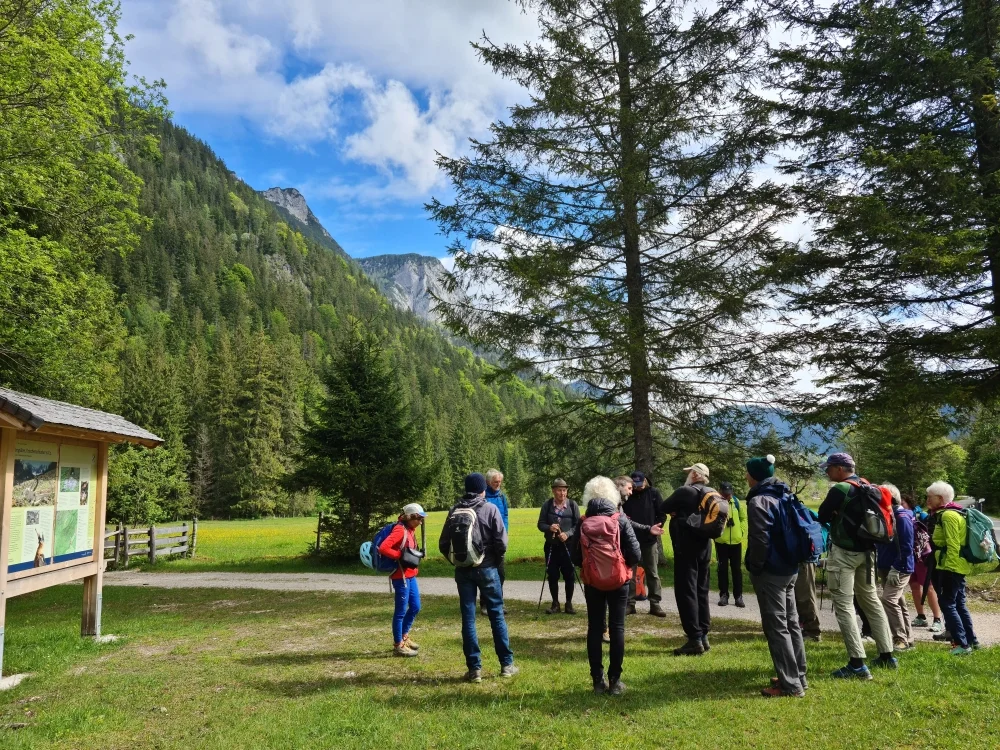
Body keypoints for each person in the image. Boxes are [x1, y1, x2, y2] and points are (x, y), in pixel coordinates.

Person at [816, 452, 896, 679]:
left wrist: (834, 513)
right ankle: (887, 655)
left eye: (829, 468)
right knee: (871, 601)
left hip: (844, 553)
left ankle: (857, 663)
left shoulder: (840, 489)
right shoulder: (867, 486)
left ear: (841, 469)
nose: (827, 471)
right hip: (868, 553)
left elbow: (822, 516)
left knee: (843, 605)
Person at [439, 472, 518, 682]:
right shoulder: (490, 508)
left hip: (463, 572)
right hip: (489, 569)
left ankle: (474, 670)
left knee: (468, 618)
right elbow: (502, 542)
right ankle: (506, 665)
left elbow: (443, 544)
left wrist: (457, 561)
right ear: (483, 489)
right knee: (496, 615)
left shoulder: (454, 510)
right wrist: (495, 559)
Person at [572, 476, 642, 695]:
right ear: (612, 495)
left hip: (593, 582)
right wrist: (623, 566)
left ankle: (597, 681)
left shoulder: (583, 521)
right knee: (617, 628)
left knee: (594, 628)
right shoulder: (619, 519)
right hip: (619, 582)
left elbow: (575, 556)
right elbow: (636, 553)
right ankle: (615, 681)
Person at [744, 455, 807, 698]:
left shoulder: (759, 500)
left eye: (748, 473)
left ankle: (790, 685)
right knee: (791, 624)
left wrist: (756, 566)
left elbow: (760, 539)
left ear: (755, 475)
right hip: (790, 568)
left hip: (771, 571)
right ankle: (798, 675)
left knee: (777, 627)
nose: (746, 477)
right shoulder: (784, 493)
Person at [662, 462, 714, 655]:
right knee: (701, 590)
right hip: (705, 546)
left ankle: (694, 639)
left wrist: (676, 512)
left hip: (686, 548)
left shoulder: (685, 492)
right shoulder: (710, 492)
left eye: (690, 472)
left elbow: (663, 506)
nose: (688, 475)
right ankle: (704, 635)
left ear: (695, 475)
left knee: (686, 591)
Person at [926, 481, 980, 655]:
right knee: (958, 603)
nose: (927, 500)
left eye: (930, 497)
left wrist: (947, 568)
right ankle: (971, 640)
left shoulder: (948, 516)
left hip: (951, 566)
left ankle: (961, 644)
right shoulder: (954, 513)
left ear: (940, 498)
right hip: (956, 565)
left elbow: (953, 544)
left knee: (947, 603)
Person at [378, 503, 426, 657]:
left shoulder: (411, 530)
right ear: (410, 517)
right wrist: (400, 556)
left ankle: (404, 636)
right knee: (400, 612)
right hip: (401, 577)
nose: (421, 522)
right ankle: (398, 645)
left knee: (415, 607)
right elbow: (384, 548)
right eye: (418, 518)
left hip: (410, 575)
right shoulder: (400, 529)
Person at [622, 470, 667, 617]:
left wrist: (656, 527)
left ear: (645, 481)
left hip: (649, 539)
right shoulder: (627, 495)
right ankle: (630, 604)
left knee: (652, 572)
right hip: (631, 539)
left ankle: (655, 604)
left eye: (640, 484)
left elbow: (662, 513)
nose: (638, 487)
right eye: (635, 485)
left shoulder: (653, 493)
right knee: (630, 573)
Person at [876, 483, 915, 650]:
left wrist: (896, 568)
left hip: (899, 567)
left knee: (889, 600)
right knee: (898, 601)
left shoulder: (902, 518)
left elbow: (907, 547)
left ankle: (900, 639)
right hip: (885, 565)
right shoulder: (887, 515)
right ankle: (909, 638)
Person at [902, 495, 945, 633]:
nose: (901, 505)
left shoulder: (921, 515)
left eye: (903, 503)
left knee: (929, 587)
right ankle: (921, 616)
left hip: (923, 557)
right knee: (914, 586)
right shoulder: (899, 516)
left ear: (909, 504)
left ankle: (937, 619)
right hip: (910, 558)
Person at [537, 478, 580, 614]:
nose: (562, 493)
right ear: (553, 491)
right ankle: (555, 603)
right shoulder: (547, 505)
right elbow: (540, 524)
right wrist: (550, 527)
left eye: (564, 490)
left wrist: (567, 534)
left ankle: (569, 603)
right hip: (551, 546)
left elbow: (578, 525)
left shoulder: (572, 505)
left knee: (569, 575)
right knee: (553, 575)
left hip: (568, 546)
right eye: (559, 490)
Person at [481, 469, 510, 615]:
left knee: (500, 574)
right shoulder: (483, 496)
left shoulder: (501, 496)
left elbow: (505, 515)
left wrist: (505, 532)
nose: (498, 484)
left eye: (499, 482)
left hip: (499, 540)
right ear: (488, 482)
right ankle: (485, 604)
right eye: (495, 482)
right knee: (486, 573)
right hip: (486, 541)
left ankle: (498, 603)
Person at [715, 481, 746, 608]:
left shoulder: (737, 503)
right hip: (721, 542)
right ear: (720, 491)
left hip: (736, 542)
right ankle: (724, 595)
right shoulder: (716, 503)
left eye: (729, 493)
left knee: (737, 570)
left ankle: (738, 597)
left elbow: (744, 518)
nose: (728, 496)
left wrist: (741, 531)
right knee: (722, 570)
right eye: (725, 494)